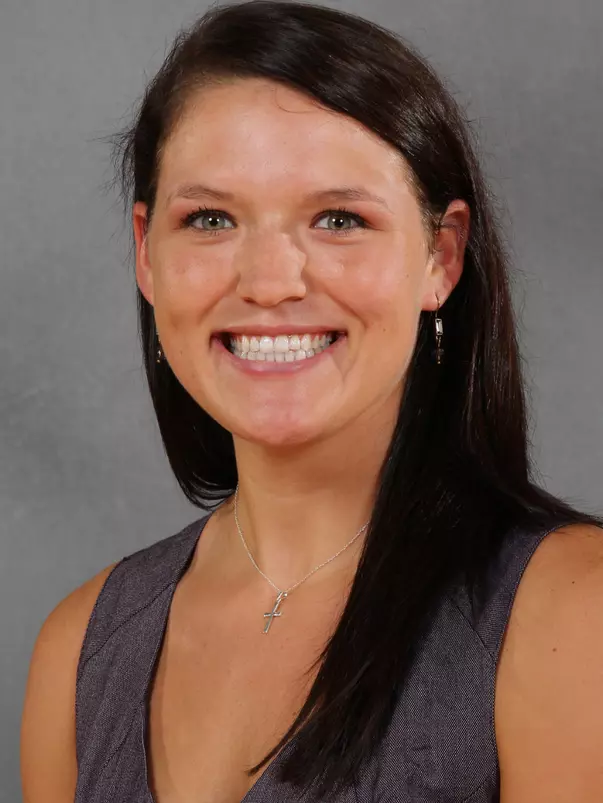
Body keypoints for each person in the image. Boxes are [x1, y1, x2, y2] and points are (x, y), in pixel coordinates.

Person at [20, 1, 603, 801]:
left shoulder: (573, 618)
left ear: (440, 256)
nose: (268, 281)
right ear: (146, 254)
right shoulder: (78, 651)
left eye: (337, 218)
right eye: (211, 218)